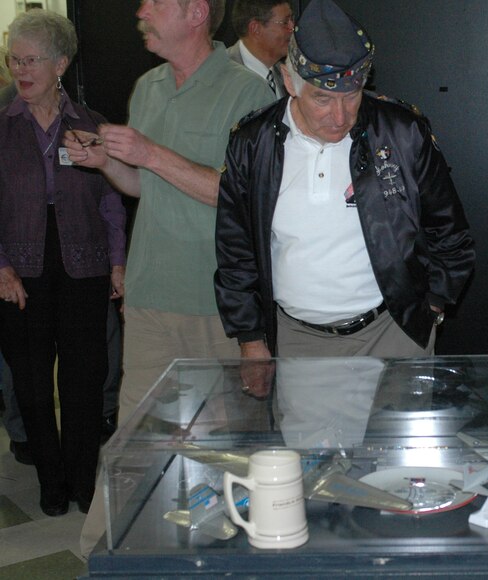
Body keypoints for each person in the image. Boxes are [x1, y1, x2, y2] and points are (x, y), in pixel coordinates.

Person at [61, 0, 274, 554]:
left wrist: (151, 153)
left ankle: (229, 554)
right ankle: (103, 556)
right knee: (134, 441)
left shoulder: (248, 93)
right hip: (151, 293)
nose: (142, 10)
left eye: (156, 2)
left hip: (218, 303)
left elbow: (241, 196)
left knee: (225, 446)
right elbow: (143, 186)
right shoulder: (148, 87)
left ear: (197, 12)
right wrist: (106, 163)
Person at [215, 0, 474, 394]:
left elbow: (450, 231)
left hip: (394, 331)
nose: (340, 116)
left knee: (399, 434)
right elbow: (236, 251)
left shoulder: (401, 132)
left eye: (352, 96)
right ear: (289, 82)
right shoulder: (254, 144)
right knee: (307, 437)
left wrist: (433, 305)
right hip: (298, 340)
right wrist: (250, 338)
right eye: (322, 98)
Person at [0, 9, 127, 516]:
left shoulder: (90, 123)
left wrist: (117, 262)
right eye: (14, 60)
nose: (20, 70)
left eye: (31, 60)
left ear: (60, 64)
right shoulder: (2, 126)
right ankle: (51, 482)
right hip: (19, 269)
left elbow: (111, 199)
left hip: (84, 262)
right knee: (31, 382)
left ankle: (82, 478)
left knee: (85, 378)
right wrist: (0, 266)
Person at [227, 0, 293, 98]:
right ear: (256, 29)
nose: (292, 28)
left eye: (292, 20)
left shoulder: (290, 71)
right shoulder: (221, 75)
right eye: (285, 22)